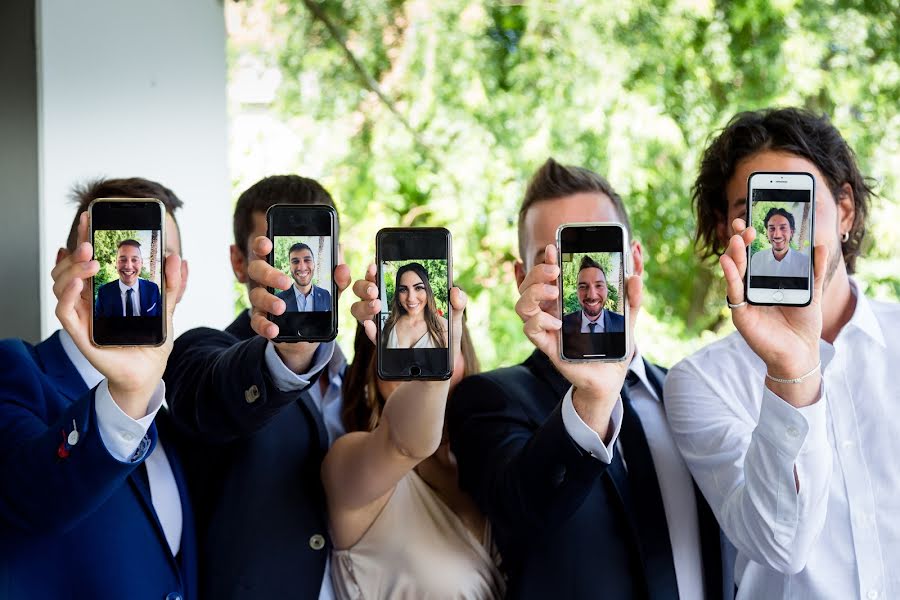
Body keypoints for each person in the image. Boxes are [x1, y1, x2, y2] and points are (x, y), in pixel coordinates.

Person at [448, 158, 734, 599]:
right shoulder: (490, 399)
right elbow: (518, 515)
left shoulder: (691, 392)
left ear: (634, 261)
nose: (578, 284)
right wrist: (592, 400)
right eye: (553, 261)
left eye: (600, 253)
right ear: (522, 278)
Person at [666, 107, 900, 599]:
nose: (782, 230)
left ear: (845, 211)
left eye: (800, 204)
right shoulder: (700, 382)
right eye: (748, 209)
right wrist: (791, 370)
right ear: (727, 228)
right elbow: (780, 546)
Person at [0, 178, 193, 600]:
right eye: (112, 253)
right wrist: (125, 396)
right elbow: (32, 498)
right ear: (65, 263)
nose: (129, 265)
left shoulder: (177, 392)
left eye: (159, 255)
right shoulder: (15, 369)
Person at [163, 174, 351, 599]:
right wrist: (287, 355)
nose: (292, 271)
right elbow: (213, 401)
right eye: (274, 254)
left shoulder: (367, 379)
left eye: (307, 253)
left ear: (335, 257)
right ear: (237, 261)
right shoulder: (203, 354)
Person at [323, 267, 504, 599]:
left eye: (432, 341)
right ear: (370, 373)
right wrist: (433, 369)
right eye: (399, 344)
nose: (418, 357)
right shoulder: (349, 466)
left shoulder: (497, 463)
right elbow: (405, 445)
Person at [382, 262, 448, 349]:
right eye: (403, 290)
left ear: (427, 290)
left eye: (418, 288)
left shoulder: (444, 327)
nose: (411, 298)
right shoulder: (390, 325)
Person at [95, 238, 162, 317]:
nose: (128, 266)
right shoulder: (104, 292)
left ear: (141, 263)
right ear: (116, 263)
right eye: (123, 260)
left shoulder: (153, 289)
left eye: (134, 260)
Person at [562, 254, 625, 335]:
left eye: (599, 285)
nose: (592, 295)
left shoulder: (622, 324)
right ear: (577, 291)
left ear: (607, 289)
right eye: (583, 287)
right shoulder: (562, 325)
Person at [749, 207, 809, 277]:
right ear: (767, 232)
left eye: (783, 228)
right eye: (772, 228)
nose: (777, 235)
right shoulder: (757, 259)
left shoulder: (805, 262)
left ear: (791, 232)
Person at [276, 242, 332, 311]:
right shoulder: (279, 300)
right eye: (295, 261)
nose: (302, 267)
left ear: (314, 264)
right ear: (290, 267)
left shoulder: (326, 296)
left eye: (307, 260)